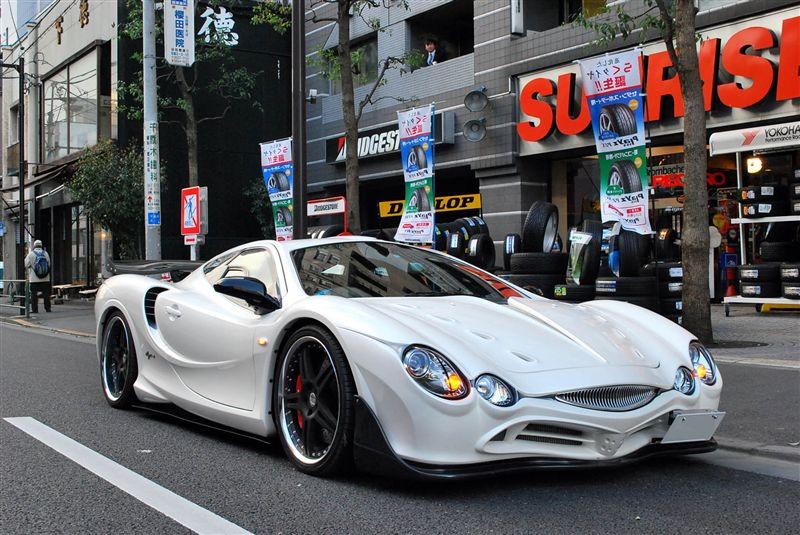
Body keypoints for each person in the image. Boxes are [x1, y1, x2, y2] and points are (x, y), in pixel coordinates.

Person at [25, 239, 52, 313]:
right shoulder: (45, 253)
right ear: (41, 245)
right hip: (45, 278)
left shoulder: (31, 254)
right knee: (46, 294)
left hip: (34, 279)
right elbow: (49, 265)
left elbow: (26, 265)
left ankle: (35, 309)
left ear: (34, 246)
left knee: (34, 294)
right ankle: (47, 308)